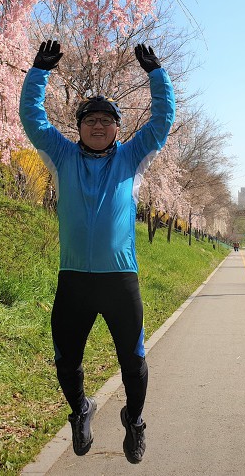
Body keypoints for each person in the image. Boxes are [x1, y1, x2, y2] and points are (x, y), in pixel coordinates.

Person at [19, 40, 175, 464]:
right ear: (80, 126)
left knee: (134, 362)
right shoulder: (62, 157)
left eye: (107, 120)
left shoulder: (130, 160)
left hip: (120, 281)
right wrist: (39, 72)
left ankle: (135, 421)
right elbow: (33, 120)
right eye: (92, 119)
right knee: (66, 362)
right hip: (74, 281)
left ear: (117, 129)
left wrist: (156, 74)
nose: (99, 125)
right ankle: (81, 409)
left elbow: (162, 122)